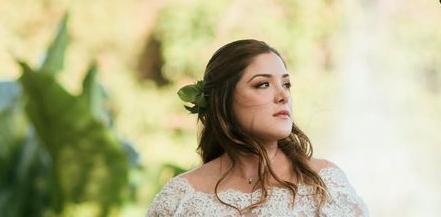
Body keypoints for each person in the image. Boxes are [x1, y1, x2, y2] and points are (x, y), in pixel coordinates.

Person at [146, 39, 370, 216]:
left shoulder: (325, 183)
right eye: (263, 84)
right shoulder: (180, 197)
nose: (283, 96)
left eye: (286, 84)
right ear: (223, 99)